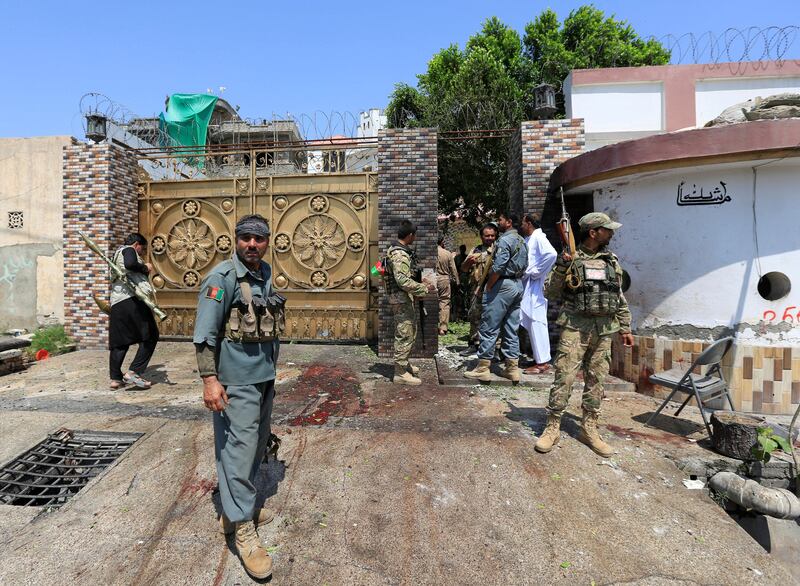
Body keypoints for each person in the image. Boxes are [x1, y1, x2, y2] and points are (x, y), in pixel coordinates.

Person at [193, 214, 285, 580]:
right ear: (235, 240)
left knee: (254, 448)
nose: (252, 244)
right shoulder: (222, 278)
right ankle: (243, 528)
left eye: (258, 239)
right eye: (245, 238)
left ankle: (233, 510)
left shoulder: (263, 274)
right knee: (237, 451)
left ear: (267, 242)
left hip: (263, 379)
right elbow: (205, 335)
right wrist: (210, 381)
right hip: (236, 384)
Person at [535, 212, 634, 458]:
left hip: (604, 330)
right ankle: (553, 426)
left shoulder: (611, 260)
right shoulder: (570, 259)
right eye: (607, 229)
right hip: (576, 328)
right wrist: (562, 266)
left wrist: (625, 327)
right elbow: (550, 291)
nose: (611, 233)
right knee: (564, 377)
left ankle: (589, 428)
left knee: (596, 380)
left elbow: (618, 295)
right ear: (593, 232)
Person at [464, 213, 528, 384]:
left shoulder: (504, 241)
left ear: (508, 222)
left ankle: (483, 368)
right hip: (517, 284)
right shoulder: (522, 241)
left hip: (502, 285)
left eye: (500, 220)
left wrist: (490, 285)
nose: (498, 223)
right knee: (511, 328)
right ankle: (512, 369)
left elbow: (498, 266)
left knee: (489, 327)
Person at [384, 220, 435, 385]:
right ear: (410, 235)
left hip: (401, 298)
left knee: (408, 331)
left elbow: (376, 269)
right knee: (405, 333)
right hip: (401, 298)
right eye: (415, 235)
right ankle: (399, 372)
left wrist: (385, 273)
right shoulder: (399, 254)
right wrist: (423, 288)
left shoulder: (391, 250)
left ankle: (404, 363)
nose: (415, 238)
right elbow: (403, 281)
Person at [108, 233, 159, 390]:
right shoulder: (128, 250)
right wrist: (146, 267)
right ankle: (134, 371)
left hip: (117, 303)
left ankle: (116, 378)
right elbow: (130, 264)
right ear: (136, 244)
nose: (141, 252)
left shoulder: (117, 254)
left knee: (120, 342)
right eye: (142, 249)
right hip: (132, 301)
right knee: (151, 335)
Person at [519, 213, 557, 374]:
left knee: (536, 321)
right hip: (527, 285)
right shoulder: (530, 239)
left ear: (528, 223)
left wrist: (536, 272)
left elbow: (552, 254)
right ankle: (539, 358)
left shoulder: (539, 238)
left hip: (535, 284)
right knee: (531, 320)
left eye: (523, 223)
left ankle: (542, 362)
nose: (521, 226)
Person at [459, 223, 498, 356]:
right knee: (474, 316)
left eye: (493, 235)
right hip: (477, 289)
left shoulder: (499, 249)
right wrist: (468, 262)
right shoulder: (476, 250)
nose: (490, 238)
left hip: (494, 289)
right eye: (487, 235)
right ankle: (474, 344)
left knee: (494, 317)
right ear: (481, 237)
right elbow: (463, 269)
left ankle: (495, 347)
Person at [436, 236, 460, 335]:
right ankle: (443, 328)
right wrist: (457, 281)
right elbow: (453, 269)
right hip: (444, 279)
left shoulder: (428, 253)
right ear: (442, 242)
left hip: (430, 278)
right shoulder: (447, 253)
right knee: (444, 303)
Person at [453, 244, 468, 320]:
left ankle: (459, 314)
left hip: (460, 278)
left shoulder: (457, 257)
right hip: (464, 278)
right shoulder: (466, 257)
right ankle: (462, 313)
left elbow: (454, 269)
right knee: (464, 295)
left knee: (459, 295)